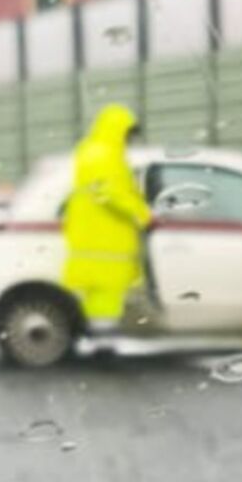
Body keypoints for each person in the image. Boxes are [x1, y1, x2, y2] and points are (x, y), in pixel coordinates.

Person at [62, 104, 151, 331]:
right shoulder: (105, 154)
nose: (130, 140)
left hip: (95, 242)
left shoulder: (92, 152)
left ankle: (98, 341)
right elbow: (110, 191)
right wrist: (142, 213)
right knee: (106, 300)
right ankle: (104, 346)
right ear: (118, 130)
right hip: (105, 243)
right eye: (128, 134)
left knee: (98, 299)